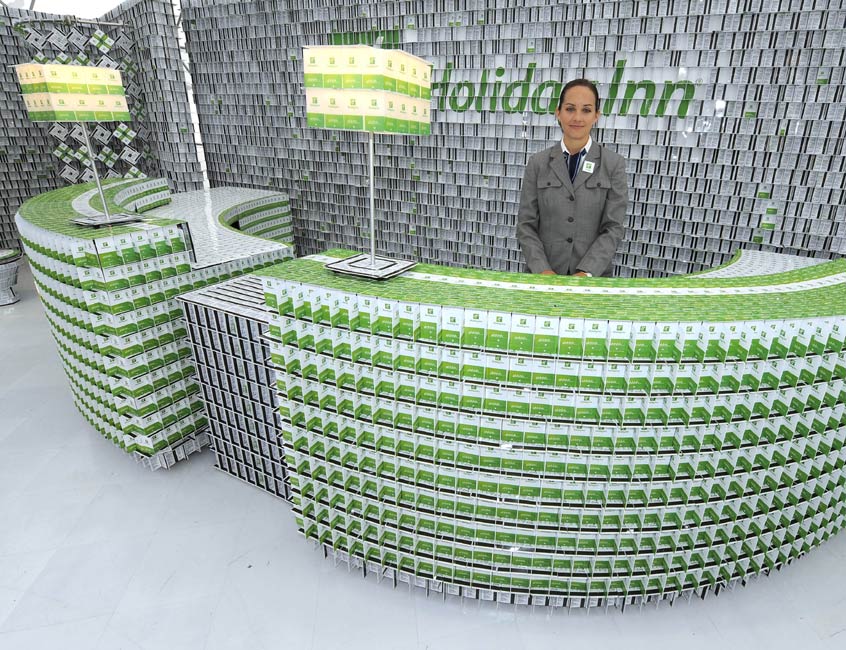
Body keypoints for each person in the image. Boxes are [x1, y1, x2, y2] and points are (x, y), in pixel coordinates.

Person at [516, 78, 628, 277]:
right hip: (543, 276)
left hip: (592, 279)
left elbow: (613, 228)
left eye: (586, 110)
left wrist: (587, 272)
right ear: (558, 113)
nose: (577, 117)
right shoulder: (537, 164)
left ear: (596, 115)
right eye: (570, 109)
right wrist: (543, 270)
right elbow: (526, 225)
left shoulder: (613, 164)